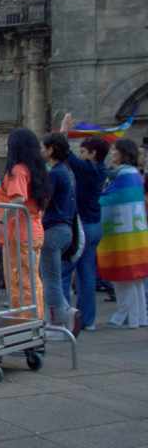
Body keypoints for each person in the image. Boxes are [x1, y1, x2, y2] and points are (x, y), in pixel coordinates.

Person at [59, 113, 110, 331]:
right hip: (95, 225)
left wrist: (64, 130)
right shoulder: (101, 170)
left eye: (83, 151)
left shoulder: (89, 169)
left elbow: (64, 153)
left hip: (83, 227)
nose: (80, 155)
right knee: (87, 273)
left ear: (93, 153)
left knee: (64, 270)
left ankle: (63, 317)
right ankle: (88, 321)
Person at [0, 128, 48, 320]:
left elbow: (18, 199)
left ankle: (26, 320)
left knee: (20, 279)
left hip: (19, 232)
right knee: (31, 278)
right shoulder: (35, 170)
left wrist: (1, 219)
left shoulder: (17, 171)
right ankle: (33, 318)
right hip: (33, 229)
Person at [98, 139, 148, 328]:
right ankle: (139, 318)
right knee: (136, 280)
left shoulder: (123, 174)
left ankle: (125, 317)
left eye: (115, 151)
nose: (112, 154)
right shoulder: (133, 173)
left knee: (124, 278)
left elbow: (110, 199)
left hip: (122, 235)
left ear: (123, 153)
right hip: (134, 233)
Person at [40, 133, 81, 336]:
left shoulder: (55, 173)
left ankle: (59, 323)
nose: (41, 151)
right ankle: (66, 313)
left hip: (53, 230)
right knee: (53, 278)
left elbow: (44, 202)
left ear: (51, 149)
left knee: (50, 281)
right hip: (65, 230)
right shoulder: (67, 172)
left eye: (43, 147)